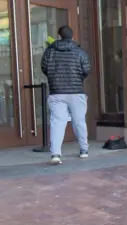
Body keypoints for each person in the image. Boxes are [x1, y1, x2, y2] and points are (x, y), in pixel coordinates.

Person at [41, 25, 91, 165]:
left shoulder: (49, 51)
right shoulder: (80, 52)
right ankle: (84, 150)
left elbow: (44, 68)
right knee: (79, 121)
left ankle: (56, 154)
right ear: (72, 37)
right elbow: (86, 69)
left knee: (57, 122)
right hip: (76, 92)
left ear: (58, 36)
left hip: (56, 92)